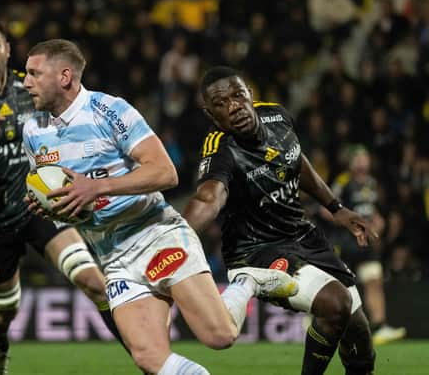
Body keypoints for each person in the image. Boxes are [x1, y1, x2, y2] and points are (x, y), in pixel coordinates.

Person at [22, 39, 298, 375]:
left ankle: (246, 283)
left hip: (155, 234)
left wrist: (95, 186)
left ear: (64, 76)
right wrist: (47, 204)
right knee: (149, 359)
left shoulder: (109, 110)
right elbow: (60, 190)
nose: (26, 82)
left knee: (220, 336)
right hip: (111, 255)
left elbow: (165, 172)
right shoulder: (33, 130)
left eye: (34, 73)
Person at [0, 15, 128, 375]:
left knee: (96, 284)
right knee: (5, 309)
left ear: (7, 50)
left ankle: (147, 359)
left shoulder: (28, 87)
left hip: (40, 208)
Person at [182, 66, 378, 374]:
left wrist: (336, 208)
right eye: (221, 104)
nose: (233, 107)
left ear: (249, 93)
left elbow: (295, 160)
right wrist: (175, 238)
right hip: (257, 251)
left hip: (303, 237)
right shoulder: (220, 149)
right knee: (336, 304)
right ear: (211, 115)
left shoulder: (276, 115)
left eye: (237, 95)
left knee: (359, 335)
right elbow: (209, 197)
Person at [329, 146, 406, 345]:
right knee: (340, 287)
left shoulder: (372, 183)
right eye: (359, 159)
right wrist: (349, 222)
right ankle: (322, 322)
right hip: (346, 242)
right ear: (351, 162)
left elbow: (373, 210)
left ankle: (380, 327)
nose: (363, 163)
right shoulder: (342, 182)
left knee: (374, 280)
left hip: (366, 244)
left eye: (365, 158)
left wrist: (378, 221)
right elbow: (326, 210)